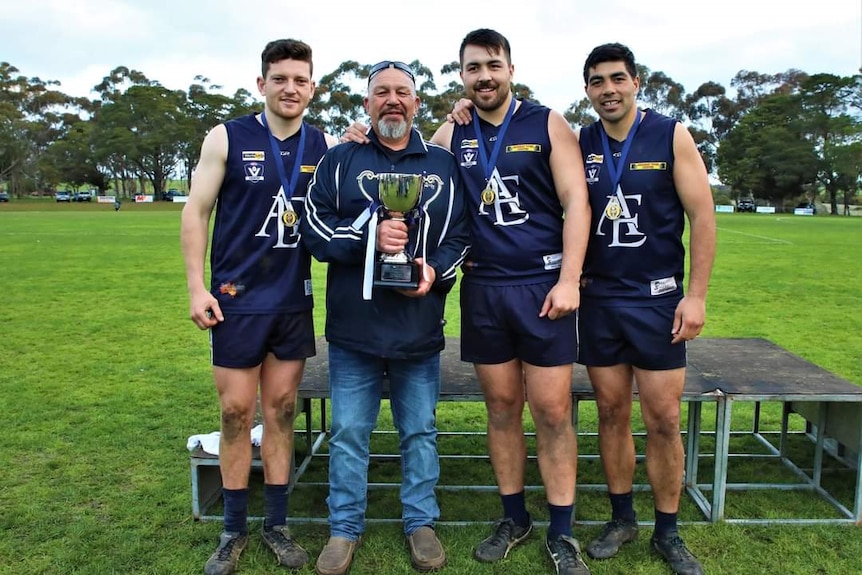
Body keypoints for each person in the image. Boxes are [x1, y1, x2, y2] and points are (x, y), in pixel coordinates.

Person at [431, 28, 591, 575]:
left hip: (543, 287)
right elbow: (417, 170)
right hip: (484, 288)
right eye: (473, 68)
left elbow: (576, 201)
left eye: (493, 65)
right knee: (501, 410)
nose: (484, 76)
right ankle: (513, 518)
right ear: (462, 76)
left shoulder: (545, 122)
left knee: (551, 410)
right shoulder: (457, 130)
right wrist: (445, 119)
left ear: (511, 68)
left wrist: (570, 279)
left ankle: (563, 531)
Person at [301, 60, 469, 575]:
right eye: (381, 93)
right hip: (355, 329)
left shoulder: (441, 164)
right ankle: (343, 528)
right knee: (350, 430)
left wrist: (433, 270)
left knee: (419, 428)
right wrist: (367, 239)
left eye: (402, 92)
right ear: (367, 103)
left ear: (417, 104)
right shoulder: (341, 158)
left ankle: (420, 522)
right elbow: (314, 228)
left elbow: (462, 235)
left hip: (418, 324)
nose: (392, 100)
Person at [181, 38, 337, 575]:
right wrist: (196, 288)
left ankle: (276, 526)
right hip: (234, 303)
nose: (290, 88)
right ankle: (231, 531)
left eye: (300, 80)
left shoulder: (324, 145)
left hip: (292, 303)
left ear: (312, 88)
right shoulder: (227, 136)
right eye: (280, 78)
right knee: (233, 413)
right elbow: (196, 213)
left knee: (282, 412)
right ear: (261, 84)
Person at [576, 43, 716, 575]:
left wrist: (696, 295)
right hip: (600, 300)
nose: (608, 89)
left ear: (637, 82)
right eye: (597, 81)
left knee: (662, 418)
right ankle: (621, 517)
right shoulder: (579, 140)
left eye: (617, 78)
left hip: (657, 300)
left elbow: (703, 217)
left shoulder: (670, 134)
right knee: (610, 412)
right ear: (587, 89)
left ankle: (668, 530)